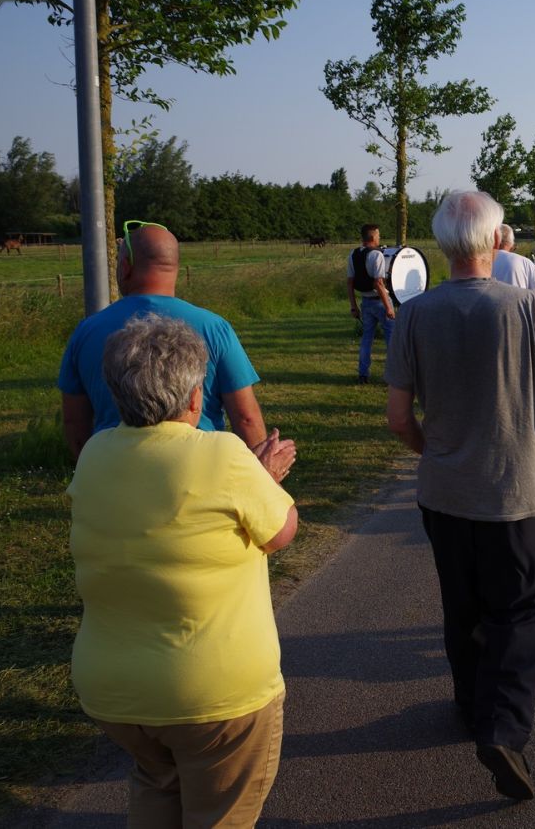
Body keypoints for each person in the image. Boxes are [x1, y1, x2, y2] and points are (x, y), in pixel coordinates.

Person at [386, 190, 535, 801]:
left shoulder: (413, 314)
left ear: (442, 245)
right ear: (497, 241)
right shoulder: (528, 308)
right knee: (519, 613)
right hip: (515, 493)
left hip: (444, 494)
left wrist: (433, 452)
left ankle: (471, 706)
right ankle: (502, 729)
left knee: (462, 603)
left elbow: (398, 418)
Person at [68, 314, 297, 828]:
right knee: (220, 815)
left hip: (114, 692)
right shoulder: (223, 453)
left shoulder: (95, 454)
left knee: (158, 780)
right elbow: (280, 532)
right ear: (195, 397)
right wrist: (264, 477)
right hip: (213, 695)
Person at [58, 222, 268, 460]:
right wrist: (262, 473)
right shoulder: (215, 328)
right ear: (175, 267)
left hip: (116, 465)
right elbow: (245, 418)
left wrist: (91, 466)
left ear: (125, 267)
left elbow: (74, 422)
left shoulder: (87, 331)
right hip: (197, 466)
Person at [347, 223, 398, 385]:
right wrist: (388, 307)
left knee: (366, 339)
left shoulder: (353, 254)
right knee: (391, 339)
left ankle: (363, 374)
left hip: (365, 302)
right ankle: (393, 375)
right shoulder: (377, 255)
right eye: (378, 235)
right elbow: (378, 283)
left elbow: (350, 283)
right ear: (373, 236)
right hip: (380, 302)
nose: (379, 237)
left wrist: (353, 306)